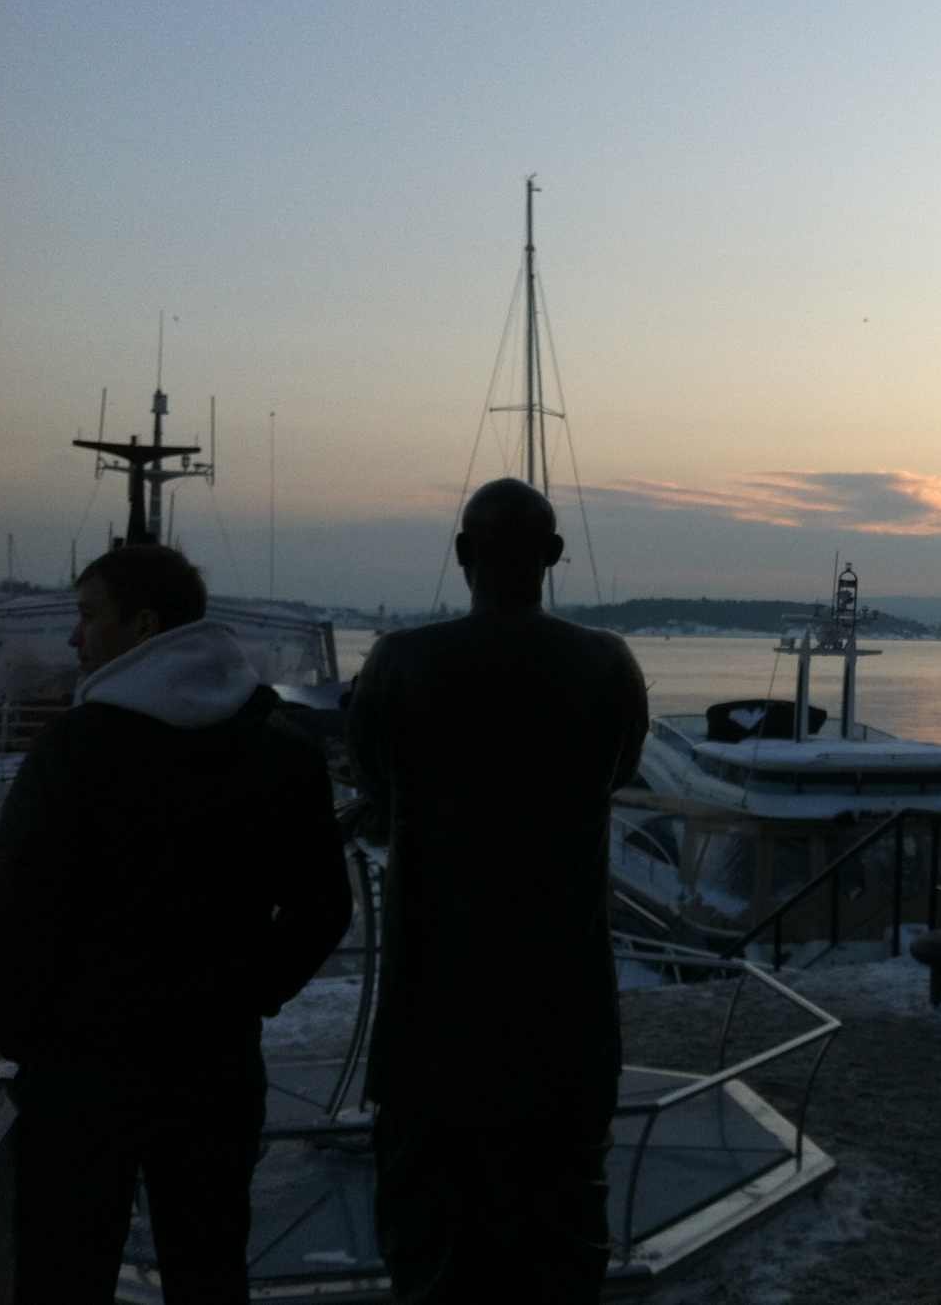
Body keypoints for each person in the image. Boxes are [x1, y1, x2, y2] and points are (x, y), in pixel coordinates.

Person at [0, 543, 353, 1303]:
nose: (75, 637)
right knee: (208, 1270)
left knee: (64, 1275)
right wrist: (246, 993)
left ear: (143, 625)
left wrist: (18, 1032)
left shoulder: (76, 749)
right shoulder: (279, 749)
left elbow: (10, 912)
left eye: (88, 616)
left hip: (81, 1071)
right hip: (215, 1064)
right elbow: (323, 908)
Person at [347, 478, 648, 1303]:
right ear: (553, 556)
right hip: (565, 1009)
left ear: (461, 555)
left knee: (431, 1243)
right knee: (562, 1236)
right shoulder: (606, 664)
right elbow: (618, 771)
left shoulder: (399, 662)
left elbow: (374, 779)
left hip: (430, 1010)